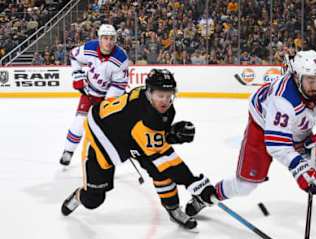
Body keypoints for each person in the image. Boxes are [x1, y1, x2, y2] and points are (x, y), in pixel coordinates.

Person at [186, 50, 316, 229]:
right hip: (262, 125)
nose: (315, 85)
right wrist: (301, 170)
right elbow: (278, 145)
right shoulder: (283, 99)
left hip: (297, 128)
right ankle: (206, 196)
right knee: (246, 185)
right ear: (296, 77)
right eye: (310, 80)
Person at [61, 69, 217, 230]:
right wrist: (193, 182)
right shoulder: (143, 115)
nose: (165, 101)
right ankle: (79, 196)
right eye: (160, 95)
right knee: (93, 200)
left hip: (130, 135)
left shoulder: (158, 107)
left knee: (159, 171)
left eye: (169, 95)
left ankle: (173, 209)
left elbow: (153, 138)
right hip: (101, 137)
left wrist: (169, 135)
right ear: (149, 93)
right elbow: (165, 156)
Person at [59, 24, 129, 166]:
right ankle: (68, 150)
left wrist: (107, 102)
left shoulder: (121, 58)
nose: (108, 42)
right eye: (105, 38)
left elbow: (119, 85)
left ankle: (108, 155)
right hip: (89, 92)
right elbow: (73, 55)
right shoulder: (89, 48)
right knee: (79, 122)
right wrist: (78, 76)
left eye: (111, 38)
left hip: (107, 96)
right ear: (99, 38)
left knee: (107, 128)